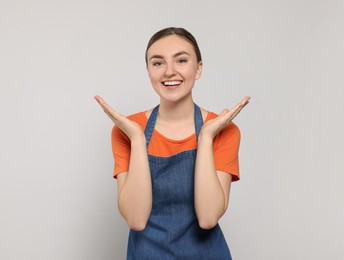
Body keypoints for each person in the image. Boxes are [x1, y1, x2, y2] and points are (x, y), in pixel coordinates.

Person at [94, 27, 250, 259]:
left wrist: (206, 138)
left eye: (181, 60)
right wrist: (137, 140)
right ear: (148, 71)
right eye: (158, 63)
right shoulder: (127, 131)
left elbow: (208, 218)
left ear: (198, 69)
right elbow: (136, 219)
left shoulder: (223, 130)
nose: (169, 71)